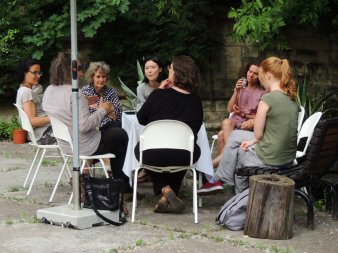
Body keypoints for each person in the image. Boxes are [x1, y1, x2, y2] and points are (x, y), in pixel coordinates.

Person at [198, 56, 298, 195]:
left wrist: (253, 139)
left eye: (261, 75)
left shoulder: (267, 98)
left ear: (268, 75)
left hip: (271, 158)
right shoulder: (292, 97)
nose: (260, 79)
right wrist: (252, 140)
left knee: (240, 152)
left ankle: (228, 189)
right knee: (235, 137)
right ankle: (219, 180)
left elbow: (258, 134)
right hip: (287, 157)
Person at [42, 51, 131, 193]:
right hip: (84, 146)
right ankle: (123, 188)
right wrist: (103, 109)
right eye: (79, 69)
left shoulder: (49, 90)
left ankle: (89, 177)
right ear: (67, 70)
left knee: (115, 130)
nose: (82, 73)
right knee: (120, 134)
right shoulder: (76, 94)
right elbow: (84, 126)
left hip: (65, 145)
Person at [135, 55, 203, 213]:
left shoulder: (159, 94)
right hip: (184, 156)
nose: (168, 71)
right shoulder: (196, 101)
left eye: (170, 68)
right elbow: (194, 131)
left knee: (141, 148)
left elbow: (140, 118)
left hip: (153, 154)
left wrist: (158, 91)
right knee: (188, 148)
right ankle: (170, 194)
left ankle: (165, 190)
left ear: (177, 73)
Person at [213, 62, 265, 167]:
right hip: (234, 123)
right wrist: (236, 91)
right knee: (227, 121)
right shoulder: (241, 88)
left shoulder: (262, 93)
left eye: (255, 73)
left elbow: (260, 117)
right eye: (250, 71)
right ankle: (228, 156)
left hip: (247, 125)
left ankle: (220, 170)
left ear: (259, 77)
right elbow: (229, 109)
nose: (251, 75)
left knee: (221, 135)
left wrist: (243, 115)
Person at [15, 59, 56, 145]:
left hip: (42, 133)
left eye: (39, 73)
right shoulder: (27, 92)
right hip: (43, 135)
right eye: (34, 73)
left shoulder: (23, 90)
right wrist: (56, 119)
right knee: (79, 132)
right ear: (24, 73)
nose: (38, 76)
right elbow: (32, 121)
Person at [82, 61, 122, 129]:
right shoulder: (85, 91)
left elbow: (118, 114)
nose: (101, 79)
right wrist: (107, 110)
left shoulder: (111, 91)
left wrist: (100, 110)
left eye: (104, 76)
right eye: (98, 77)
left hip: (112, 125)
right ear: (92, 78)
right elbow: (86, 115)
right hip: (93, 128)